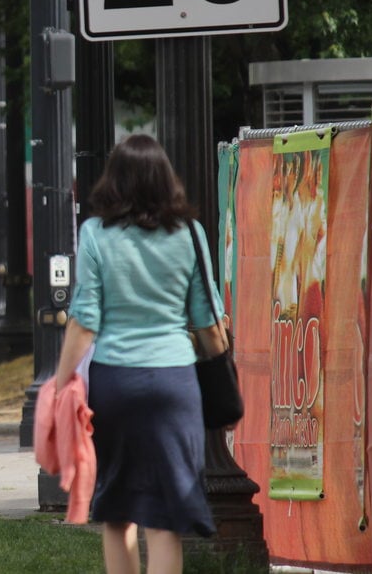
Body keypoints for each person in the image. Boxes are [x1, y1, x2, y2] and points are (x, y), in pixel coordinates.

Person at [53, 134, 222, 574]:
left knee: (118, 509)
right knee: (165, 518)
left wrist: (59, 382)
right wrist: (222, 365)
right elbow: (206, 321)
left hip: (116, 382)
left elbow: (84, 318)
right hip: (174, 382)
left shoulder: (94, 233)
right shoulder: (190, 233)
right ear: (166, 180)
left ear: (116, 181)